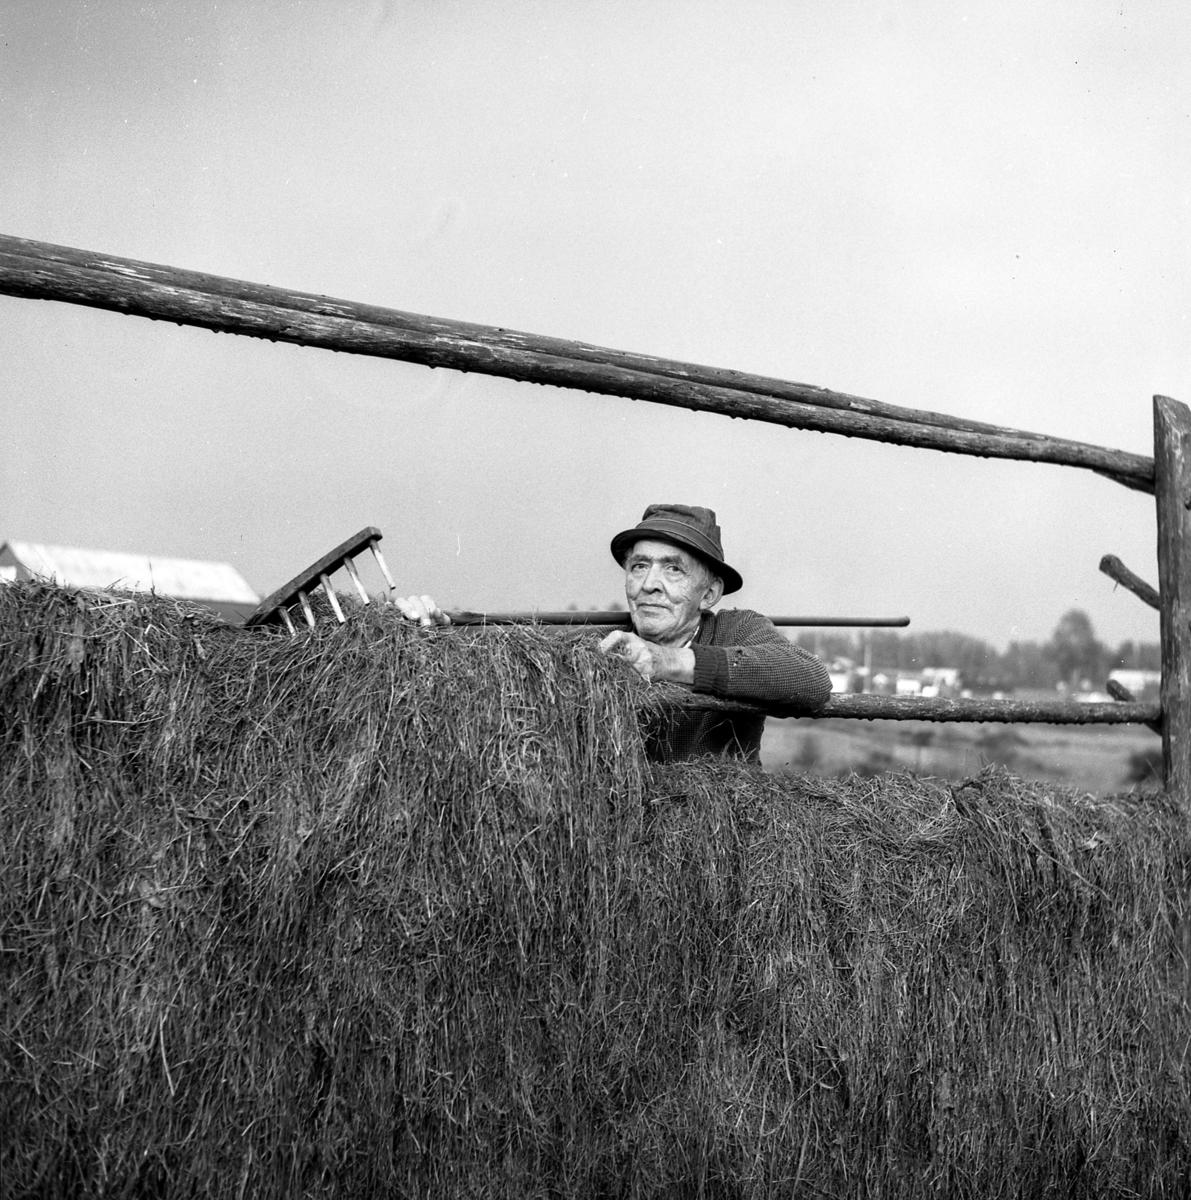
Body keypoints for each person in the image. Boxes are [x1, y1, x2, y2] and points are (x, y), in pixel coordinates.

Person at [394, 503, 832, 762]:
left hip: (719, 840)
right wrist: (443, 631)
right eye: (639, 566)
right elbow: (512, 657)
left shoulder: (738, 629)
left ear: (710, 592)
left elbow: (811, 681)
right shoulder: (603, 642)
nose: (649, 584)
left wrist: (665, 662)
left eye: (673, 569)